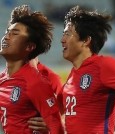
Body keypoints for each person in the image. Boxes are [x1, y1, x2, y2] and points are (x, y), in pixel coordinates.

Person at [28, 5, 115, 134]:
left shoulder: (104, 65)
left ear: (86, 40)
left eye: (68, 34)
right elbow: (53, 114)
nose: (62, 40)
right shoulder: (71, 79)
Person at [0, 5, 64, 134]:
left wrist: (51, 128)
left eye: (15, 33)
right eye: (7, 32)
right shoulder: (3, 78)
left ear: (29, 46)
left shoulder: (36, 83)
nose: (6, 37)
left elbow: (57, 126)